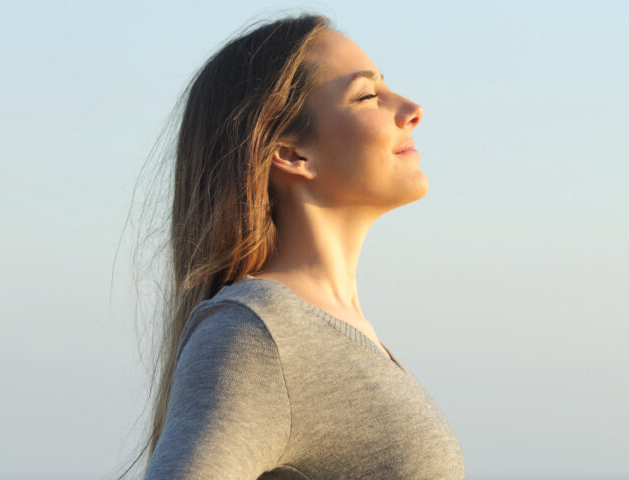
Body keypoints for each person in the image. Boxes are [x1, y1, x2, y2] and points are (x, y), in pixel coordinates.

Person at [129, 12, 465, 479]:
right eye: (368, 95)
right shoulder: (257, 332)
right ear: (289, 153)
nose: (411, 108)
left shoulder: (331, 332)